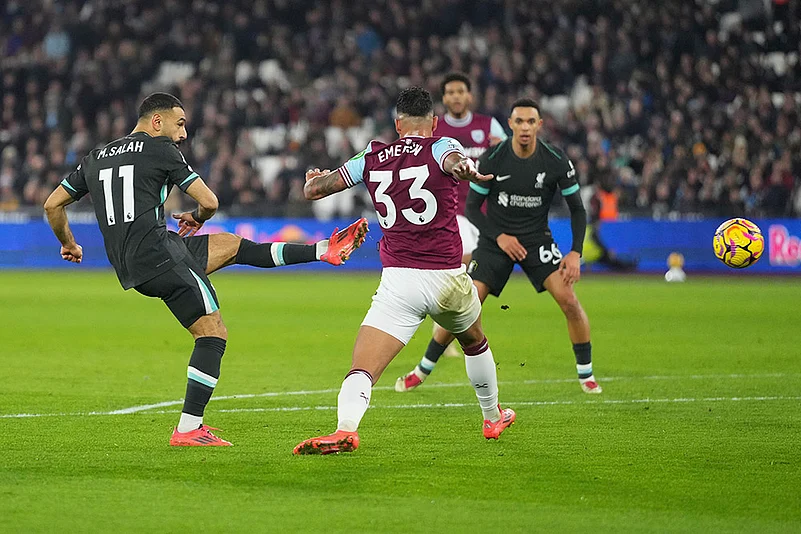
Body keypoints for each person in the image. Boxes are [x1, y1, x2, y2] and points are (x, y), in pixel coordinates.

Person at [43, 93, 368, 447]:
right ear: (157, 122)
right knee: (213, 333)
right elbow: (210, 201)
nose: (183, 134)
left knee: (232, 245)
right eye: (180, 124)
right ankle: (188, 428)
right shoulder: (161, 149)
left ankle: (323, 250)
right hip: (160, 256)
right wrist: (198, 217)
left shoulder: (96, 157)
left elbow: (52, 204)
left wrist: (69, 244)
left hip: (133, 261)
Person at [293, 87, 516, 455]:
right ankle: (492, 417)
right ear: (434, 122)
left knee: (363, 367)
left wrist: (312, 178)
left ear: (397, 125)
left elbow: (314, 190)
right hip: (448, 278)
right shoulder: (441, 146)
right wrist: (466, 169)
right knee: (474, 341)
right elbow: (455, 161)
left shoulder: (371, 155)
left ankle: (345, 429)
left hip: (399, 282)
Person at [396, 98, 602, 395]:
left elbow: (578, 209)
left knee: (569, 300)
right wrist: (501, 237)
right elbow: (472, 207)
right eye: (519, 121)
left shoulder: (555, 160)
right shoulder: (493, 157)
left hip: (537, 240)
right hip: (495, 241)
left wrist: (575, 253)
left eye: (531, 121)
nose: (525, 127)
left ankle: (587, 375)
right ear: (510, 125)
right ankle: (421, 370)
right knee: (463, 306)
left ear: (539, 125)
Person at [436, 72, 508, 266]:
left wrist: (503, 150)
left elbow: (510, 161)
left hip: (485, 209)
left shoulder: (488, 125)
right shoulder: (435, 130)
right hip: (452, 211)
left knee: (480, 267)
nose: (456, 97)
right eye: (451, 92)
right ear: (444, 98)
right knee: (464, 260)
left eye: (460, 92)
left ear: (470, 96)